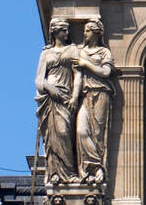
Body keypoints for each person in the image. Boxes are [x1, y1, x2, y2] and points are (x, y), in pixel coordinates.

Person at [35, 17, 78, 183]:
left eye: (67, 30)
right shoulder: (46, 54)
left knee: (65, 133)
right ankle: (56, 174)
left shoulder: (73, 50)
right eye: (63, 30)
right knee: (53, 136)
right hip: (51, 98)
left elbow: (77, 74)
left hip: (66, 96)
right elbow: (39, 79)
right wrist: (50, 88)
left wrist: (74, 95)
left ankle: (68, 172)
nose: (67, 33)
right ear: (55, 32)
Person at [73, 19, 115, 185]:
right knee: (82, 131)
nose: (85, 33)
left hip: (101, 93)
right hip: (85, 94)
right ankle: (88, 167)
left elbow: (106, 72)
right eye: (84, 30)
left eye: (88, 30)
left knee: (97, 134)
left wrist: (86, 64)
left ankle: (97, 168)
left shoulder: (104, 52)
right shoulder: (78, 50)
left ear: (97, 33)